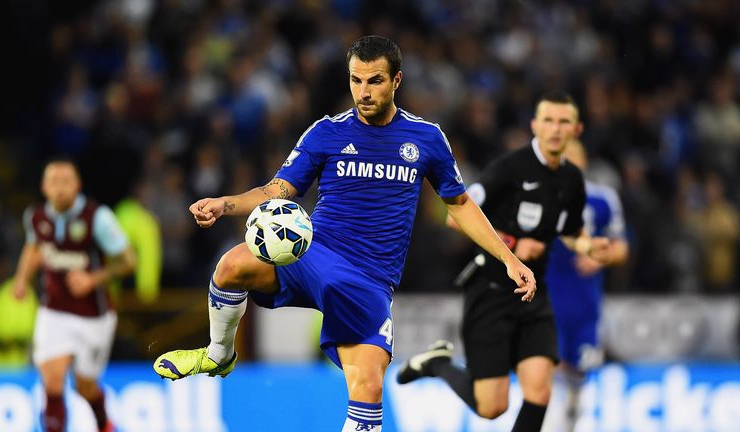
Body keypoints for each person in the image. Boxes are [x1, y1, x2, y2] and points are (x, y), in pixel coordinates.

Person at [153, 35, 536, 432]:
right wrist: (224, 203)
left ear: (396, 80)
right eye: (356, 81)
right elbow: (275, 191)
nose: (363, 92)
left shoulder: (426, 138)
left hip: (368, 280)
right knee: (231, 265)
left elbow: (458, 204)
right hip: (312, 254)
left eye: (374, 81)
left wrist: (507, 259)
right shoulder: (326, 133)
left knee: (368, 390)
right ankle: (219, 354)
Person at [397, 91, 613, 432]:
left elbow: (568, 230)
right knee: (492, 406)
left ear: (577, 129)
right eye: (548, 121)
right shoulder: (510, 169)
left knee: (540, 391)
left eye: (564, 122)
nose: (555, 129)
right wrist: (512, 244)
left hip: (535, 296)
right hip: (492, 291)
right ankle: (438, 364)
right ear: (534, 126)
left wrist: (586, 245)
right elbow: (456, 217)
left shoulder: (572, 180)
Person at [13, 157, 136, 432]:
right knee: (53, 381)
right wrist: (21, 279)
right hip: (53, 311)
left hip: (94, 316)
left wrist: (94, 278)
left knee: (85, 386)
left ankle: (104, 424)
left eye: (66, 182)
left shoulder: (98, 218)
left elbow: (128, 260)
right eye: (54, 182)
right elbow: (33, 247)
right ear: (44, 187)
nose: (60, 189)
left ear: (77, 185)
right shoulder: (36, 217)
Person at [544, 139, 629, 431]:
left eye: (573, 157)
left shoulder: (603, 199)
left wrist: (601, 257)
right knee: (550, 376)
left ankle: (570, 422)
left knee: (578, 379)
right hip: (548, 302)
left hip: (584, 306)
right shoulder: (540, 197)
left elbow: (622, 248)